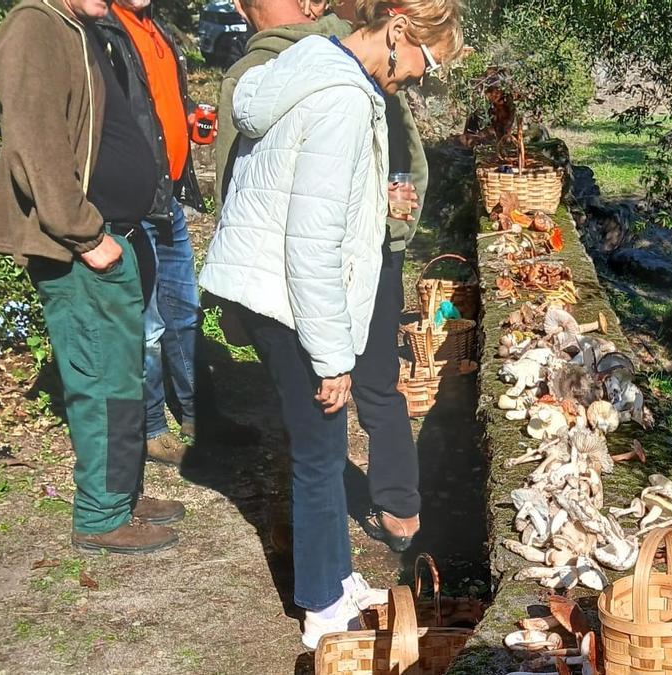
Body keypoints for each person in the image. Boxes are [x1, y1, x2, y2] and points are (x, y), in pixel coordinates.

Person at [199, 0, 463, 646]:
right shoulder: (343, 101)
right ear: (398, 31)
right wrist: (332, 356)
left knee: (322, 441)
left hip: (278, 289)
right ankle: (322, 608)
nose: (424, 76)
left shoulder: (318, 66)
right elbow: (312, 243)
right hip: (284, 295)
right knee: (320, 454)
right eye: (427, 60)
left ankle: (337, 577)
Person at [218, 0, 431, 552]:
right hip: (308, 266)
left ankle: (394, 498)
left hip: (370, 251)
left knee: (379, 380)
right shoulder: (286, 66)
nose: (421, 72)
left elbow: (397, 152)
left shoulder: (374, 68)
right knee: (314, 412)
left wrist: (384, 200)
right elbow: (249, 179)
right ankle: (311, 532)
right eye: (425, 57)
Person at [0, 0, 183, 554]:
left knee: (122, 376)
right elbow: (33, 142)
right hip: (80, 246)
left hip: (110, 238)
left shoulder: (80, 27)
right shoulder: (35, 26)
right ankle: (100, 515)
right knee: (101, 382)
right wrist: (84, 234)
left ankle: (120, 493)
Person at [93, 0, 203, 464]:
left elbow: (160, 102)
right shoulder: (104, 29)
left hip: (168, 196)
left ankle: (198, 415)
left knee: (185, 310)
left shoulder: (156, 28)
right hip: (134, 204)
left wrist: (190, 115)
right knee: (149, 324)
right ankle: (154, 427)